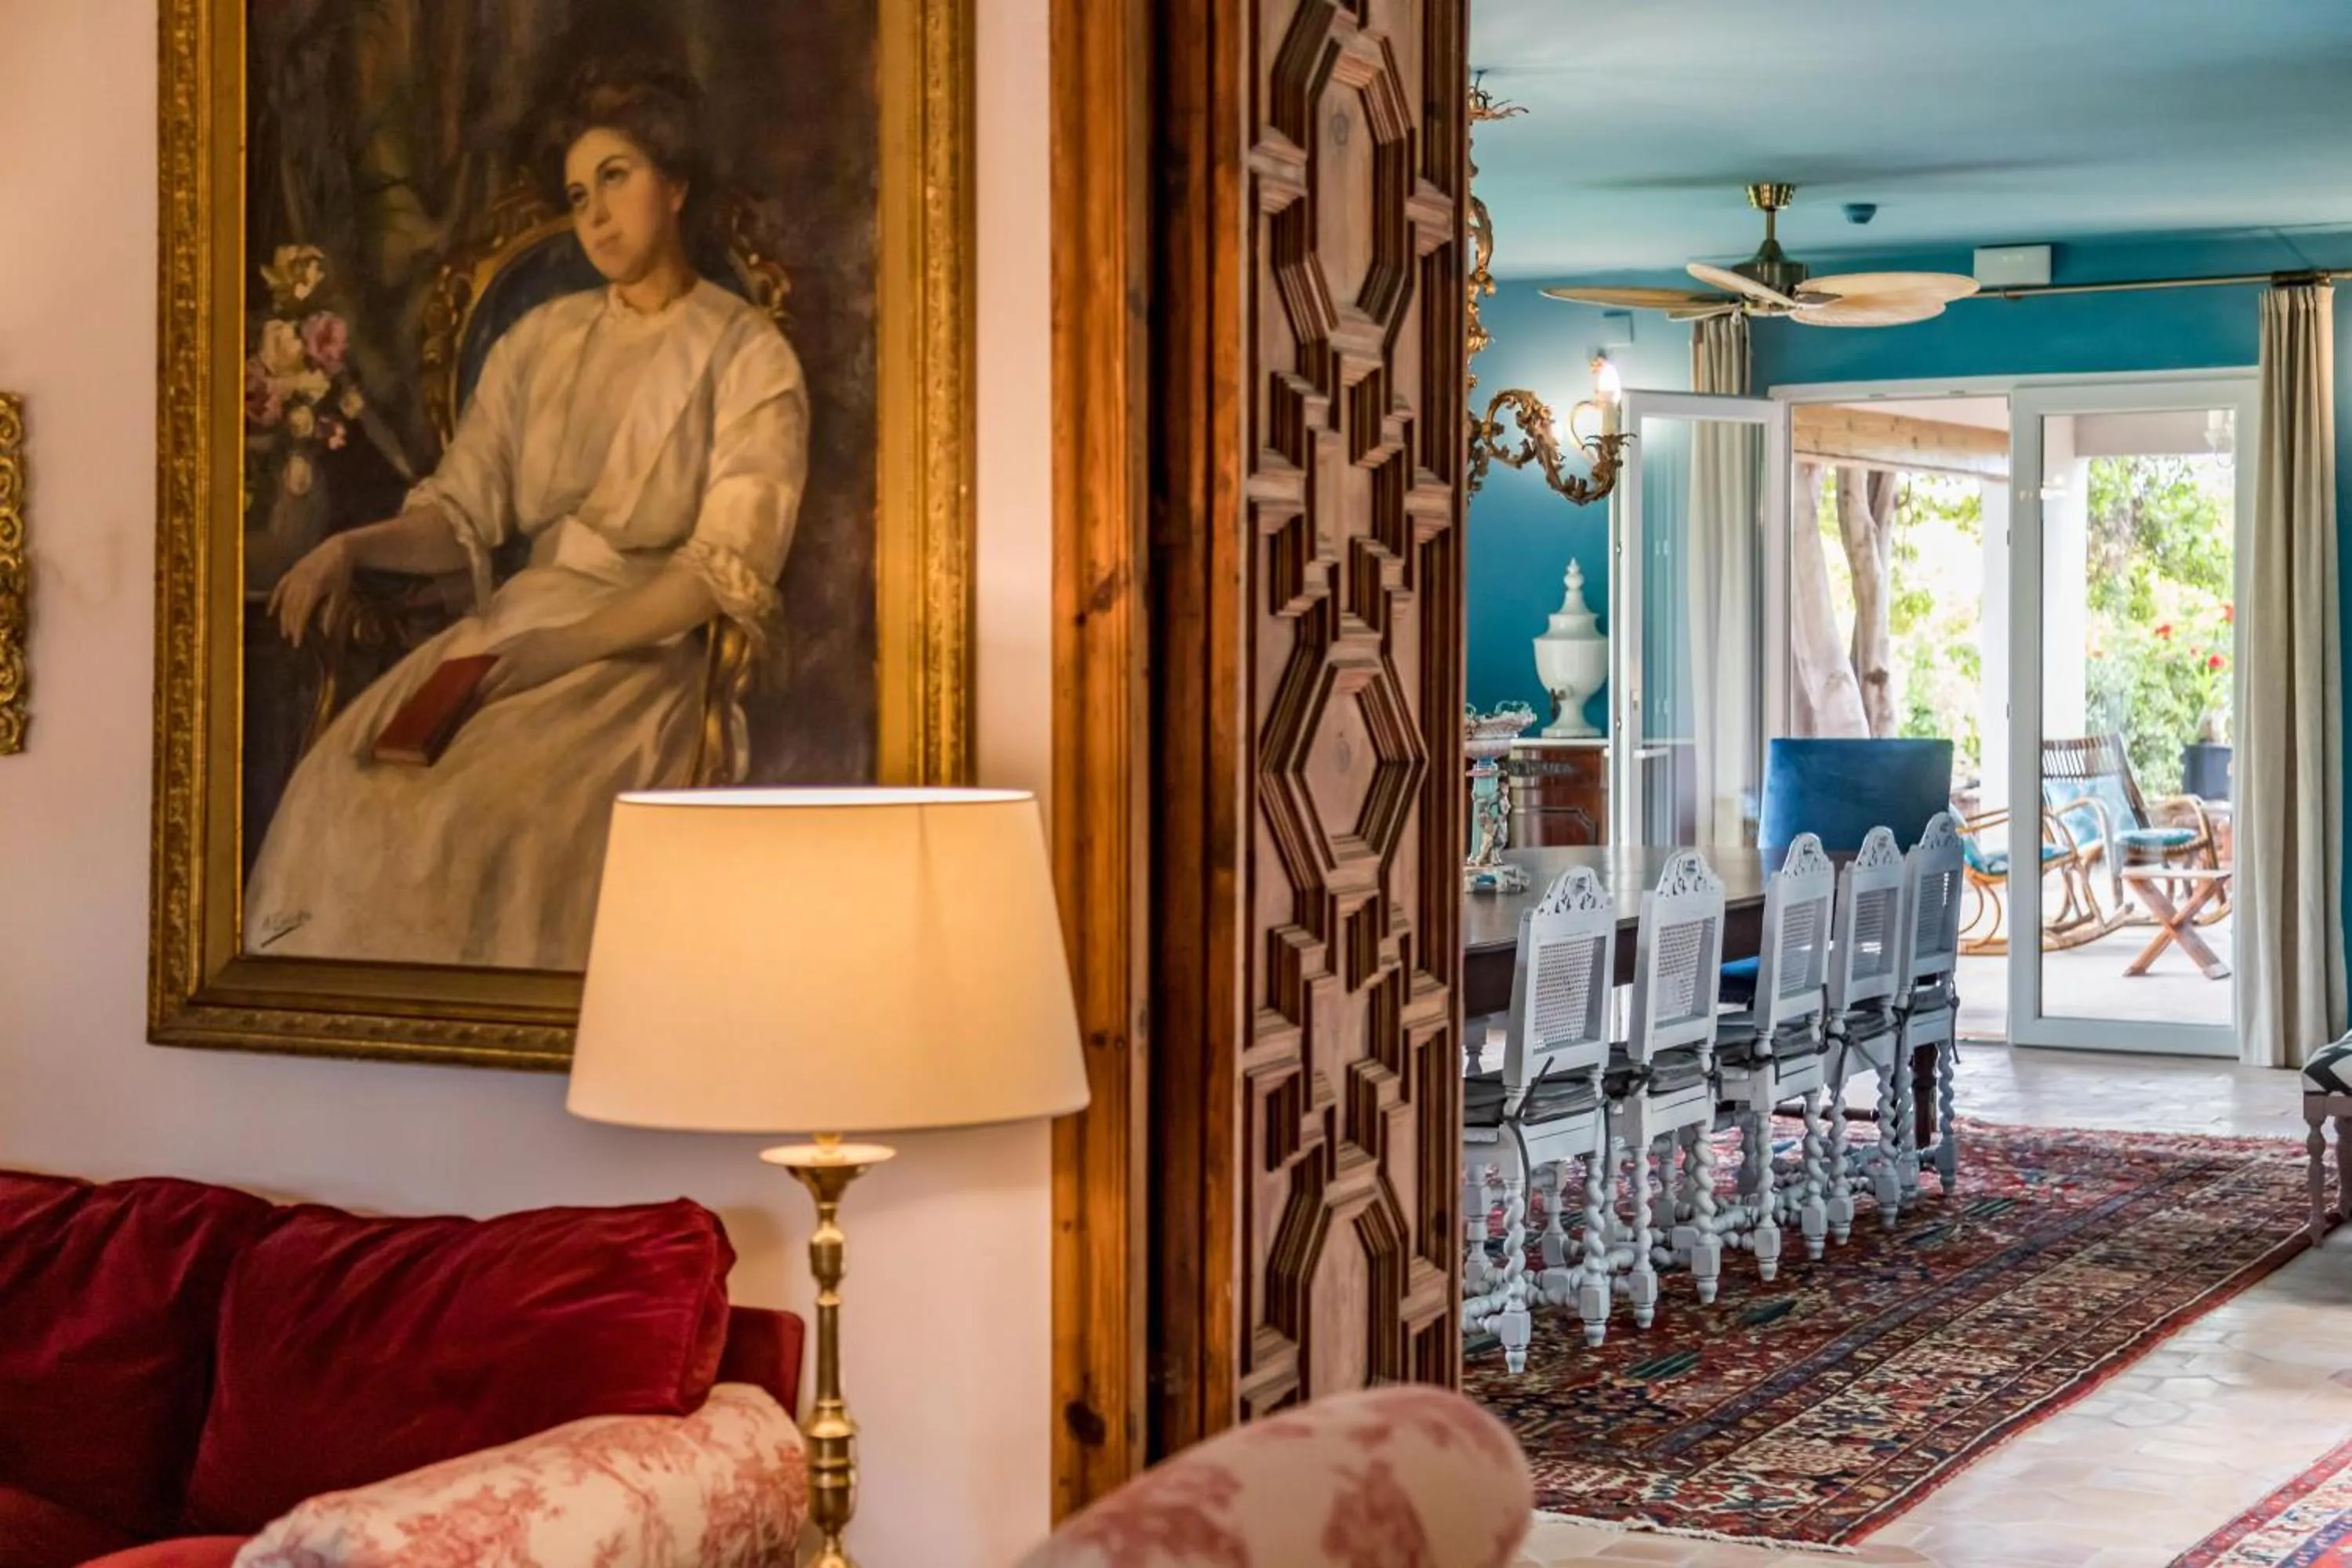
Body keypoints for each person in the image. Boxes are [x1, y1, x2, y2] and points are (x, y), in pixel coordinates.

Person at [245, 63, 808, 971]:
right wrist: (349, 545)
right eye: (579, 195)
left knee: (488, 819)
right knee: (340, 791)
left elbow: (720, 570)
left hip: (640, 654)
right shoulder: (537, 342)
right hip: (505, 635)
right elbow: (461, 509)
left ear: (676, 184)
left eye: (616, 178)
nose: (595, 215)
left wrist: (564, 647)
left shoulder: (747, 354)